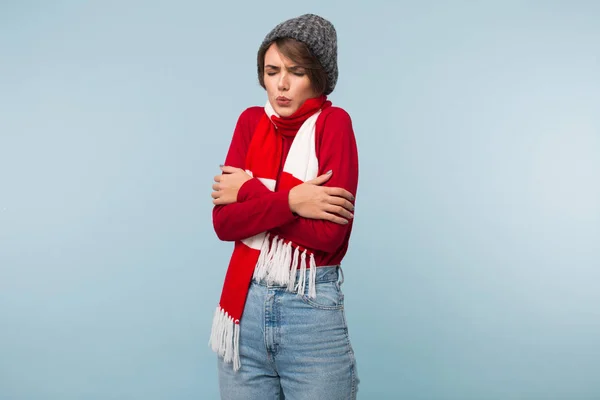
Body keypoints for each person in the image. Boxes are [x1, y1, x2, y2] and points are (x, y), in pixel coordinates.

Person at [208, 13, 360, 399]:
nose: (282, 84)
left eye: (296, 71)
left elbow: (328, 235)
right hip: (244, 310)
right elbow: (225, 224)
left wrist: (250, 194)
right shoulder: (249, 122)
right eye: (272, 70)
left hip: (309, 314)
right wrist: (294, 201)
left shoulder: (334, 124)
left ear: (319, 76)